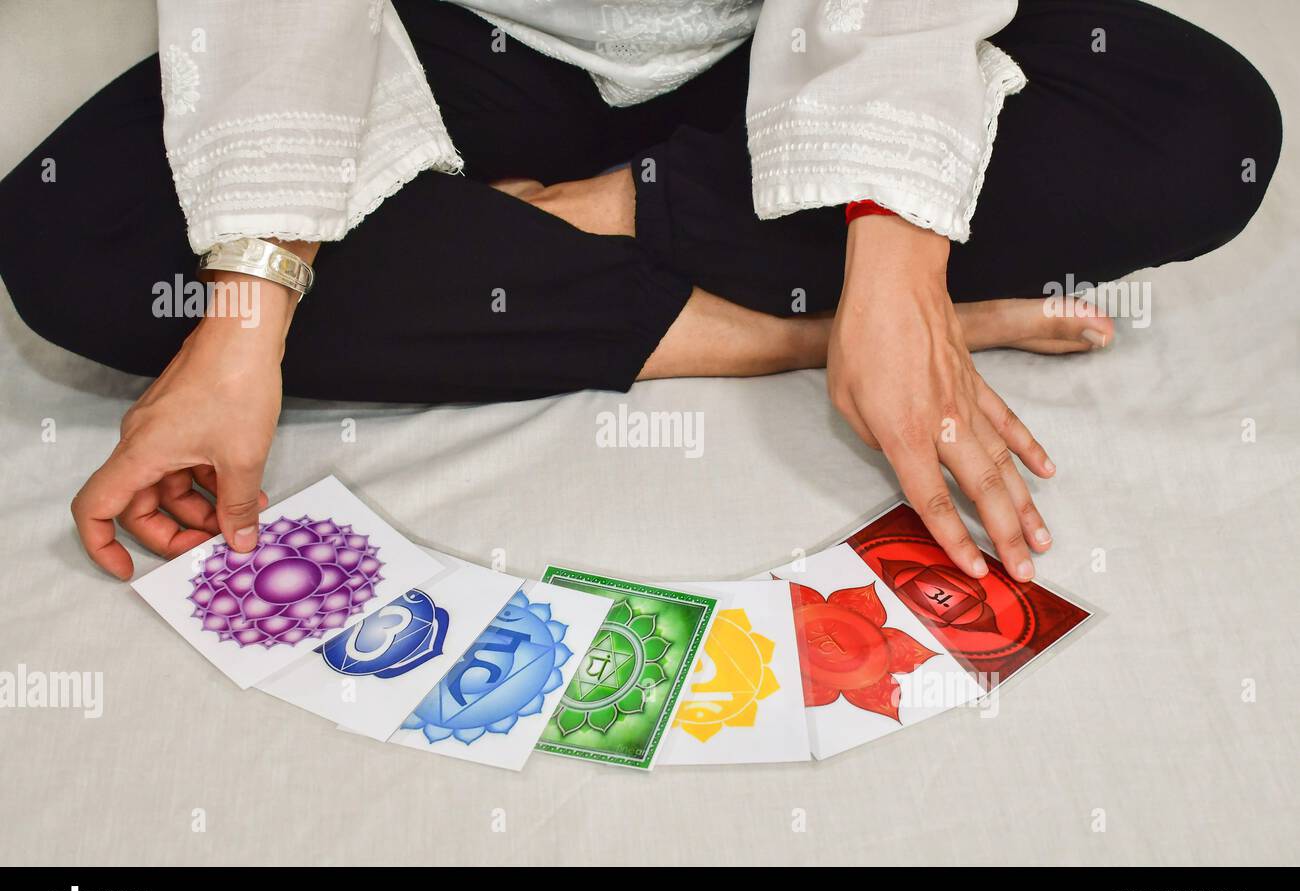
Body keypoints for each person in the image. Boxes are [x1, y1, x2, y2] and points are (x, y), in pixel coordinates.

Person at [0, 0, 1281, 584]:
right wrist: (242, 318)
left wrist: (898, 241)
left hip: (785, 38)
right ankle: (790, 328)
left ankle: (590, 219)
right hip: (451, 38)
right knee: (73, 238)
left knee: (1194, 124)